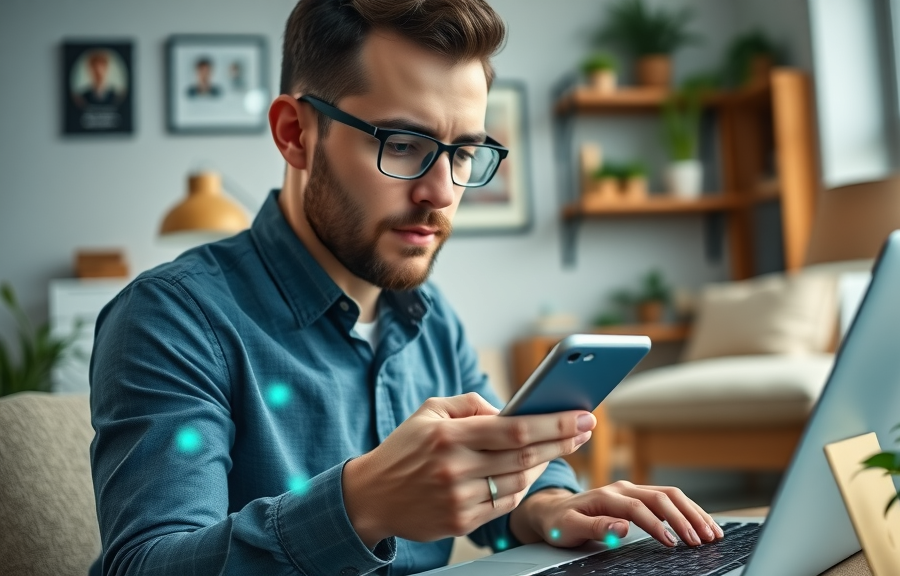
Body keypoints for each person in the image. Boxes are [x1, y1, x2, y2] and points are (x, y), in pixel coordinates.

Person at [88, 1, 724, 575]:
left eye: (464, 153)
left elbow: (500, 469)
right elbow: (146, 566)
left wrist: (551, 505)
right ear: (295, 134)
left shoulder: (430, 316)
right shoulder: (170, 318)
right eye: (402, 144)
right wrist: (360, 505)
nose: (442, 192)